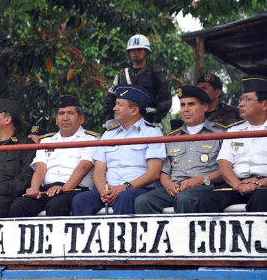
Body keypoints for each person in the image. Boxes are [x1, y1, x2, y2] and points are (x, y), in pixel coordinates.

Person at [72, 85, 166, 215]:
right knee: (80, 200)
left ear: (134, 110)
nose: (114, 108)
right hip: (109, 191)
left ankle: (121, 236)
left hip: (138, 190)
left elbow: (154, 173)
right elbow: (99, 170)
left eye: (120, 105)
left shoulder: (152, 133)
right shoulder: (108, 134)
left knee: (124, 197)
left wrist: (124, 188)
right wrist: (102, 191)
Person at [134, 86, 226, 214]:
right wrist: (168, 184)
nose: (186, 109)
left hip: (204, 186)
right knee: (143, 201)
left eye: (191, 104)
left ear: (205, 107)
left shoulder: (221, 133)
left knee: (184, 199)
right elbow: (165, 171)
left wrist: (201, 178)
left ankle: (185, 235)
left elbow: (225, 170)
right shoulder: (172, 136)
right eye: (183, 105)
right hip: (175, 187)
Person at [9, 95, 100, 217]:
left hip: (74, 189)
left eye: (70, 113)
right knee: (18, 206)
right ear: (56, 120)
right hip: (47, 190)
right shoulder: (46, 141)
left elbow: (84, 167)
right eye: (61, 113)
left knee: (56, 204)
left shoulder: (91, 139)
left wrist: (64, 189)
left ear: (81, 118)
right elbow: (40, 167)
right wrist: (34, 189)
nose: (65, 118)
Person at [197, 75, 267, 213]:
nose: (240, 104)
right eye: (242, 99)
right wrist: (238, 185)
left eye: (247, 100)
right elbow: (224, 165)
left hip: (264, 186)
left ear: (264, 104)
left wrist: (259, 183)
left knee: (261, 199)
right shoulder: (234, 130)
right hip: (235, 184)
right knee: (206, 201)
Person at [103, 34, 172, 125]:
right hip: (125, 124)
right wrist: (108, 120)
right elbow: (110, 98)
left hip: (149, 124)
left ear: (146, 51)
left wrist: (154, 118)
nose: (135, 52)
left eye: (139, 49)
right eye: (132, 50)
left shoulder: (155, 73)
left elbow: (166, 99)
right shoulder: (122, 74)